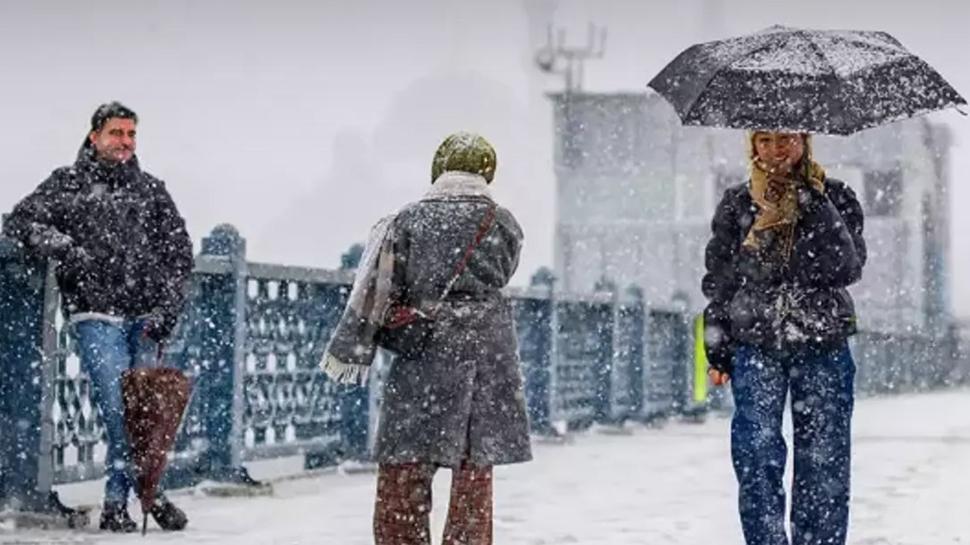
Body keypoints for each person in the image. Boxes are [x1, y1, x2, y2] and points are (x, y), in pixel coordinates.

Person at [322, 132, 532, 544]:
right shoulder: (503, 221)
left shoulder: (408, 220)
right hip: (485, 353)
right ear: (487, 171)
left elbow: (390, 286)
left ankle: (402, 536)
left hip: (425, 352)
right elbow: (506, 271)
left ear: (439, 168)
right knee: (473, 474)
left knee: (405, 468)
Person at [3, 102, 194, 533]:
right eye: (116, 133)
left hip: (145, 320)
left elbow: (179, 252)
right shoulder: (67, 184)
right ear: (95, 136)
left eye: (131, 134)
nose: (125, 142)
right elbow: (20, 222)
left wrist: (168, 307)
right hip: (95, 315)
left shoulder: (150, 190)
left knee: (147, 415)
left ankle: (126, 501)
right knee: (121, 411)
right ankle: (140, 497)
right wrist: (66, 249)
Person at [702, 131, 866, 545]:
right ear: (753, 146)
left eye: (787, 139)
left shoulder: (836, 197)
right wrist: (717, 349)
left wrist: (816, 205)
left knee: (824, 460)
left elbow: (847, 266)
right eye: (765, 140)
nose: (776, 149)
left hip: (823, 343)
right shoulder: (739, 203)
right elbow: (720, 281)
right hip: (756, 344)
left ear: (804, 141)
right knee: (756, 454)